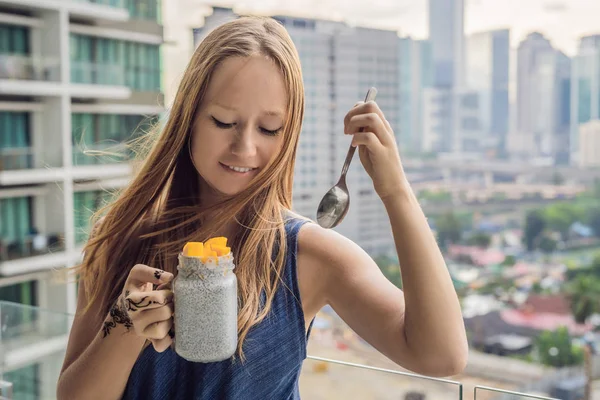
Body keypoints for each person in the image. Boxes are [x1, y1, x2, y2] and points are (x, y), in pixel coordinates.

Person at [56, 16, 467, 400]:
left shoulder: (308, 255)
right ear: (188, 118)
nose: (245, 148)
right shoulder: (123, 234)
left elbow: (441, 356)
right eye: (222, 122)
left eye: (270, 129)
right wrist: (126, 325)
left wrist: (394, 189)